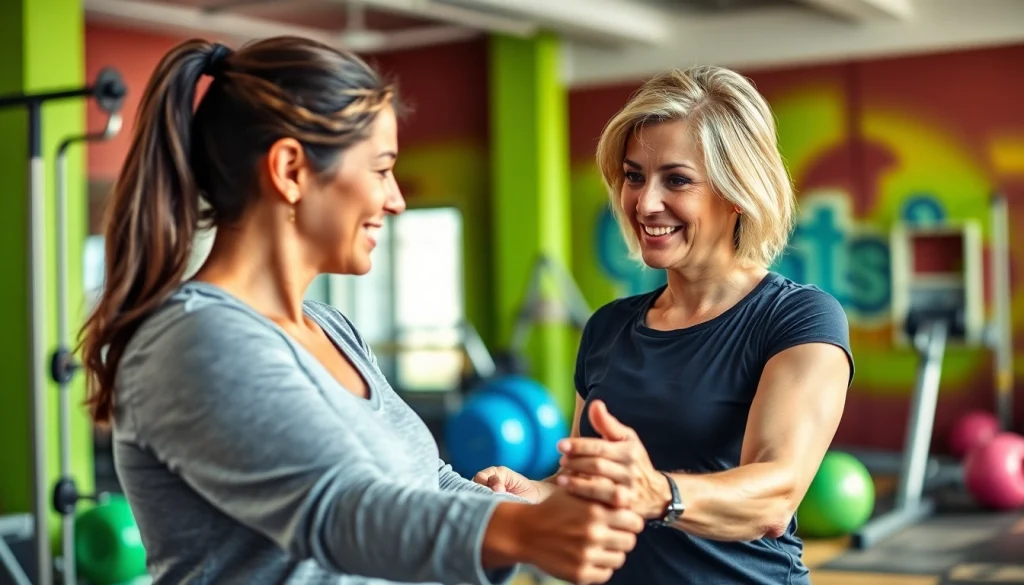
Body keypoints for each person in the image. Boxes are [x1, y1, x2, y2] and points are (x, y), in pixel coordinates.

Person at [78, 36, 646, 585]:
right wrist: (525, 531)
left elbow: (428, 482)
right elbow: (341, 510)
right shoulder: (196, 340)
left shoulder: (331, 328)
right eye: (380, 169)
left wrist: (550, 503)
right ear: (291, 170)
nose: (396, 198)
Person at [473, 66, 855, 584]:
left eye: (676, 179)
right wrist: (535, 492)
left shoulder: (797, 318)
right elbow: (589, 484)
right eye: (634, 176)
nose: (644, 202)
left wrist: (658, 493)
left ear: (736, 191)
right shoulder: (608, 328)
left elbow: (775, 494)